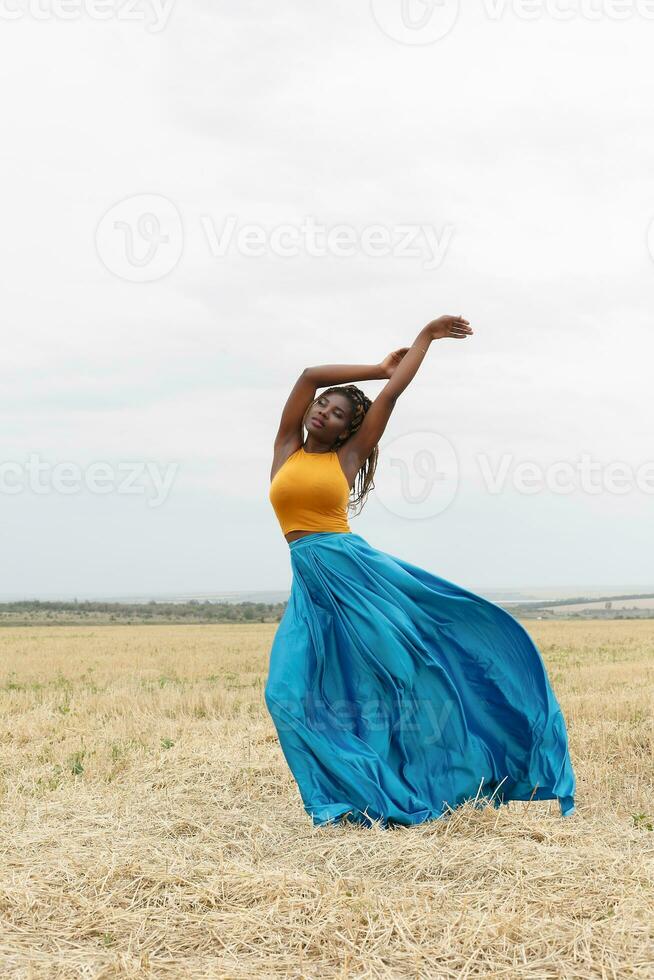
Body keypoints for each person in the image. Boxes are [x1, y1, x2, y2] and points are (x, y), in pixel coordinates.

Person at [266, 314, 577, 828]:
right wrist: (373, 366)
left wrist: (425, 338)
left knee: (406, 671)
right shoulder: (285, 449)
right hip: (310, 582)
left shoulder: (346, 459)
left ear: (350, 428)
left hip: (354, 574)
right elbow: (307, 376)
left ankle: (460, 770)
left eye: (338, 411)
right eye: (323, 405)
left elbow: (390, 398)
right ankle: (349, 789)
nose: (323, 410)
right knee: (286, 692)